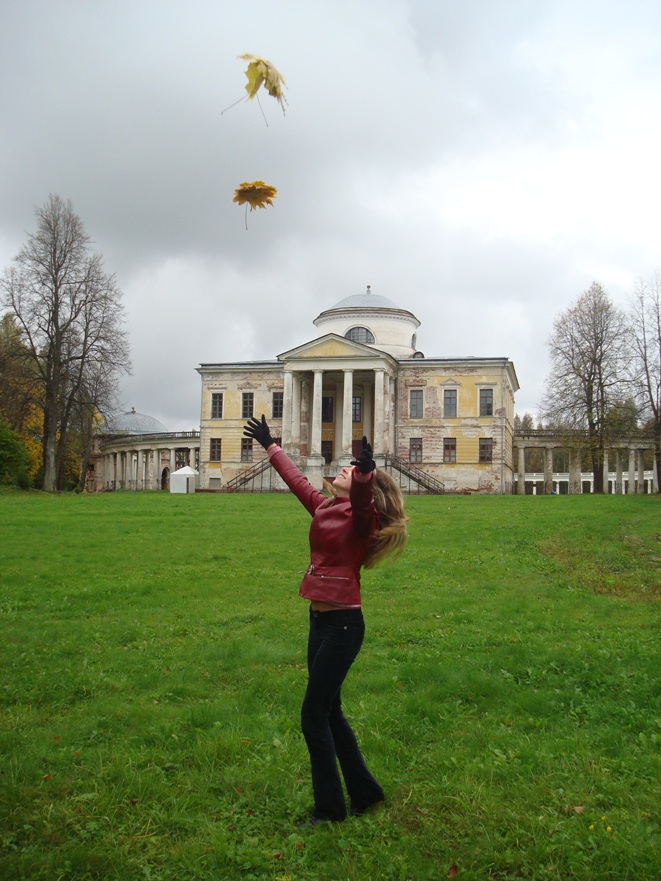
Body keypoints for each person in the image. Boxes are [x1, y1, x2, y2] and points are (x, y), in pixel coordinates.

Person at [243, 414, 409, 827]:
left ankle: (330, 810)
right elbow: (298, 481)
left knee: (313, 716)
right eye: (349, 467)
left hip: (343, 627)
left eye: (352, 470)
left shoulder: (362, 521)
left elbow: (364, 503)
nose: (344, 469)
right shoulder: (325, 507)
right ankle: (366, 794)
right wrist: (271, 446)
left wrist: (366, 474)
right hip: (319, 622)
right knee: (330, 712)